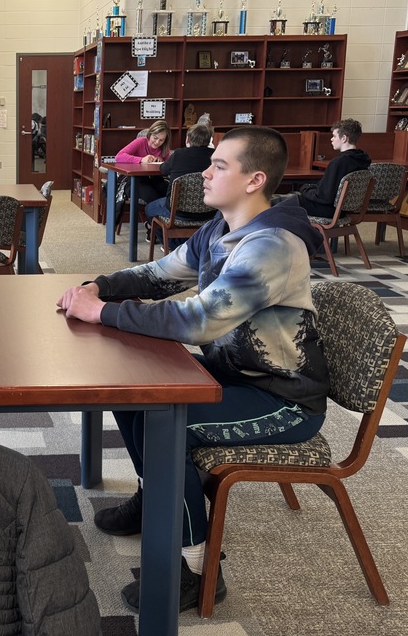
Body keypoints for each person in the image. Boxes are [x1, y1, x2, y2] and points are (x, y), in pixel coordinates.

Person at [56, 127, 329, 614]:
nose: (204, 171)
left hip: (284, 400)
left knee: (172, 429)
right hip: (237, 373)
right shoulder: (218, 230)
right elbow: (158, 276)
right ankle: (156, 497)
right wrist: (96, 287)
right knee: (134, 390)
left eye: (220, 165)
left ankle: (196, 567)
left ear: (255, 179)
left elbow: (199, 321)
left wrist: (102, 312)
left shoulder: (272, 246)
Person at [144, 117, 217, 225]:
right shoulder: (216, 155)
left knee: (149, 208)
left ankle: (170, 240)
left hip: (177, 211)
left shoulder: (178, 154)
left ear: (187, 139)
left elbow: (163, 170)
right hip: (210, 211)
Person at [294, 118, 370, 217]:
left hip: (328, 210)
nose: (331, 139)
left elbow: (324, 197)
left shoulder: (338, 163)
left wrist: (304, 189)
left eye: (334, 136)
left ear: (344, 138)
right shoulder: (362, 160)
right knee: (291, 198)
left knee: (283, 202)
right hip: (342, 210)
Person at [115, 120, 171, 205]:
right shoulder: (141, 142)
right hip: (135, 180)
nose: (157, 142)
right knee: (151, 194)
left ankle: (165, 216)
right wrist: (141, 160)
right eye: (155, 138)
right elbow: (119, 157)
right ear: (150, 134)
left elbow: (168, 168)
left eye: (161, 140)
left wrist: (163, 162)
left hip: (155, 180)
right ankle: (155, 217)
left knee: (167, 191)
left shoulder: (164, 149)